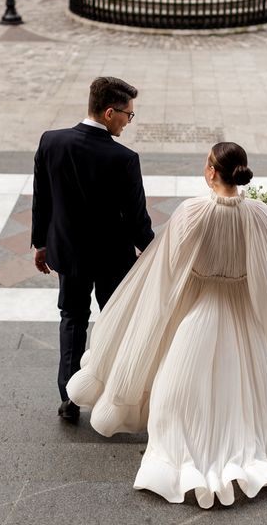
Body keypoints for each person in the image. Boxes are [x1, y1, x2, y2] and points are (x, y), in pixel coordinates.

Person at [67, 142, 267, 508]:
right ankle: (237, 445)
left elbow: (170, 270)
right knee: (236, 383)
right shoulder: (259, 215)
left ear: (211, 172)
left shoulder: (192, 212)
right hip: (241, 313)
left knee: (177, 387)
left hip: (201, 310)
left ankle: (183, 447)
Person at [31, 77, 154, 423]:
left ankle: (69, 398)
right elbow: (136, 219)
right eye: (128, 115)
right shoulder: (124, 158)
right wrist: (155, 251)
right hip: (111, 259)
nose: (129, 122)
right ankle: (111, 395)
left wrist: (41, 243)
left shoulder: (51, 142)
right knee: (114, 323)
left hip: (67, 253)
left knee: (72, 319)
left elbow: (43, 199)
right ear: (110, 112)